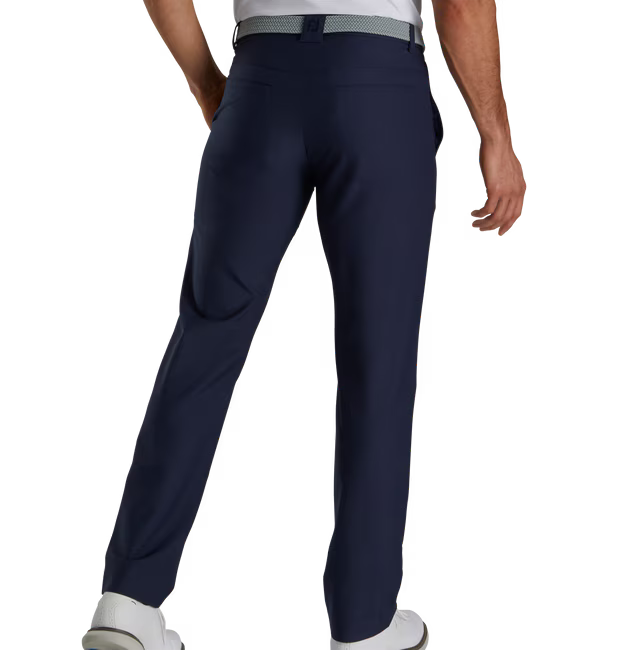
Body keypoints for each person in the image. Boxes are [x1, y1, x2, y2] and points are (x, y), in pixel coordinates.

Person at [79, 1, 529, 649]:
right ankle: (363, 622)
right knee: (378, 353)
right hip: (378, 86)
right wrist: (496, 134)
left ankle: (126, 599)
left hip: (259, 81)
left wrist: (209, 85)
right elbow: (461, 4)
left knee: (204, 336)